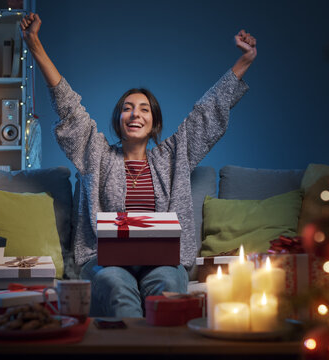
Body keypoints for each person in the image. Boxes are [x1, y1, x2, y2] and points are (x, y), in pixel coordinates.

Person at [21, 12, 257, 317]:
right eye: (127, 109)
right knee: (116, 288)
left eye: (144, 109)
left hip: (163, 262)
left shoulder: (174, 156)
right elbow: (69, 108)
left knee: (169, 283)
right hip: (104, 261)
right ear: (119, 120)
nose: (135, 114)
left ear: (154, 122)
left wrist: (244, 61)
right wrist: (34, 44)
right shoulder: (97, 154)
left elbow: (207, 113)